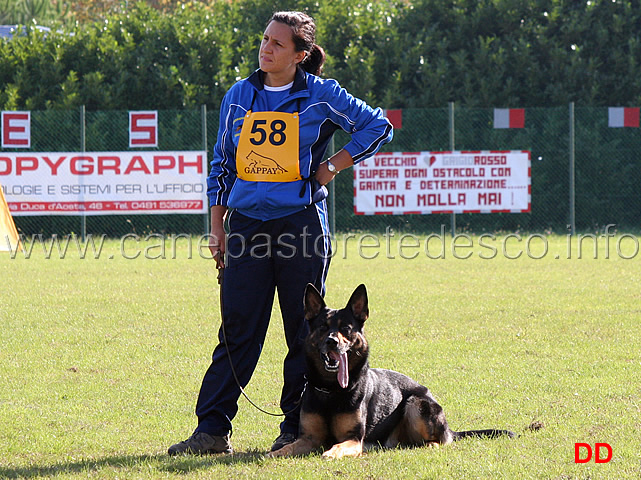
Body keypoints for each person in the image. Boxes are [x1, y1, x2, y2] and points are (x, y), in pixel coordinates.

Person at [168, 10, 393, 456]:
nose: (265, 48)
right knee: (237, 330)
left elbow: (378, 126)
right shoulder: (238, 95)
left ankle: (296, 429)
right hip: (246, 228)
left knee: (303, 333)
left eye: (277, 43)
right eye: (264, 39)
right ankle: (211, 431)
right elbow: (221, 167)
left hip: (301, 228)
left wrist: (330, 167)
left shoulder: (321, 94)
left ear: (300, 54)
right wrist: (217, 227)